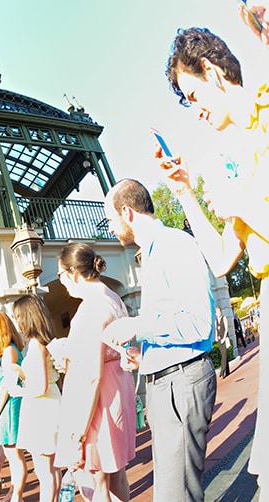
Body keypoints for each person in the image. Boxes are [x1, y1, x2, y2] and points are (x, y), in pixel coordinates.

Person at [161, 27, 269, 493]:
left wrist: (241, 206)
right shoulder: (238, 154)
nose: (195, 110)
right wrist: (185, 193)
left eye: (191, 93)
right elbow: (223, 260)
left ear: (211, 70)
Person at [103, 179, 216, 502]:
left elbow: (197, 323)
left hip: (181, 382)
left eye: (111, 220)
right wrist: (146, 356)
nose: (110, 228)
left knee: (175, 494)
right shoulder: (153, 252)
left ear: (127, 211)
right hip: (169, 380)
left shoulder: (174, 244)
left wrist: (138, 326)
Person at [52, 242, 135, 502]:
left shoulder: (91, 307)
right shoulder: (113, 297)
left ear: (73, 274)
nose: (62, 283)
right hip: (117, 388)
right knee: (116, 474)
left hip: (97, 400)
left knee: (98, 481)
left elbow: (91, 376)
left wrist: (77, 435)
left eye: (60, 275)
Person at [9, 294, 62, 502]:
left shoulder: (36, 345)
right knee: (52, 468)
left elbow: (40, 385)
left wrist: (20, 387)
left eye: (17, 316)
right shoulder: (42, 342)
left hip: (42, 408)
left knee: (44, 471)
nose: (17, 321)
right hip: (49, 404)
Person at [0, 312, 27, 502]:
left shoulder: (9, 351)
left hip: (11, 405)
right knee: (12, 454)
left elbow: (7, 387)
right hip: (9, 403)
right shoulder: (9, 350)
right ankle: (13, 493)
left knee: (15, 454)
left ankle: (17, 495)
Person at [216, 306, 231, 379]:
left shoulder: (224, 318)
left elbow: (226, 329)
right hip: (219, 339)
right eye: (217, 312)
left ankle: (222, 371)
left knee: (224, 355)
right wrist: (216, 337)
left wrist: (224, 338)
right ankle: (227, 371)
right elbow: (216, 330)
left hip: (224, 339)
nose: (218, 313)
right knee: (223, 355)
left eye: (219, 311)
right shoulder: (216, 321)